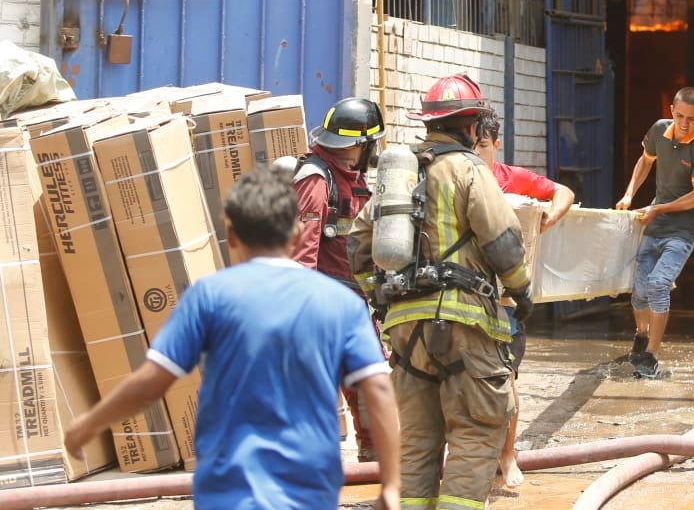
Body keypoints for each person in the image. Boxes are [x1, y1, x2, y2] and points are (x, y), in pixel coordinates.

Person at [63, 167, 400, 510]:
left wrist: (90, 423)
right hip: (308, 491)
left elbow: (150, 383)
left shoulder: (209, 297)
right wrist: (391, 483)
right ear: (298, 234)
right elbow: (378, 390)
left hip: (227, 492)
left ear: (232, 235)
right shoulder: (340, 303)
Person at [350, 73, 532, 510]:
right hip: (463, 326)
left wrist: (379, 295)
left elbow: (358, 243)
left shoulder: (398, 175)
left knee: (416, 440)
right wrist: (522, 292)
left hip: (405, 332)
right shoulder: (468, 169)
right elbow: (502, 239)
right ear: (471, 126)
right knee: (475, 429)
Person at [475, 110, 575, 488]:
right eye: (471, 145)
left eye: (483, 146)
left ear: (496, 145)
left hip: (505, 300)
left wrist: (549, 217)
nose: (476, 152)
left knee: (507, 378)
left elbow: (562, 192)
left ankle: (507, 454)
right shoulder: (451, 177)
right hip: (461, 294)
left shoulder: (509, 179)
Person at [292, 96, 387, 462]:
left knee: (367, 381)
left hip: (352, 300)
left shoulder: (349, 177)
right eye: (371, 144)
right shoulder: (317, 179)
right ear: (360, 145)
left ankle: (373, 455)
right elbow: (302, 255)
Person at [615, 86, 694, 379]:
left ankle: (651, 355)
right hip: (656, 225)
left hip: (683, 231)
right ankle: (641, 334)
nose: (684, 124)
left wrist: (657, 209)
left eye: (692, 119)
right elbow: (645, 162)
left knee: (659, 284)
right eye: (680, 116)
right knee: (639, 291)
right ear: (671, 110)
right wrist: (629, 194)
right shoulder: (660, 130)